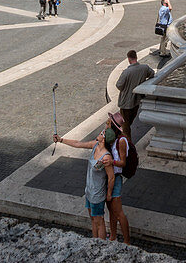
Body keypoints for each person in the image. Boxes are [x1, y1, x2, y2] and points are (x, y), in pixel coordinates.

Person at [52, 129, 115, 241]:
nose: (100, 133)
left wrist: (109, 194)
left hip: (97, 194)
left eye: (102, 133)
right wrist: (61, 140)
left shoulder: (106, 157)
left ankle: (101, 245)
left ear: (104, 139)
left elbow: (111, 178)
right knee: (93, 219)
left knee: (99, 221)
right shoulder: (95, 145)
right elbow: (78, 143)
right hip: (89, 191)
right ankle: (93, 241)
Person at [106, 112, 134, 244]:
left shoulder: (121, 141)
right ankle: (113, 236)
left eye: (108, 123)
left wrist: (112, 162)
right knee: (111, 211)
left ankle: (127, 242)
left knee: (119, 212)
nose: (106, 125)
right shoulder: (112, 138)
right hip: (109, 176)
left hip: (116, 178)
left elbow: (123, 162)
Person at [116, 50, 155, 127]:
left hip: (126, 102)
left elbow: (119, 85)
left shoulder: (126, 72)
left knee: (125, 126)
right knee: (129, 122)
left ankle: (126, 139)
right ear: (136, 57)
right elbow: (152, 74)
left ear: (129, 59)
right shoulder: (144, 68)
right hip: (137, 101)